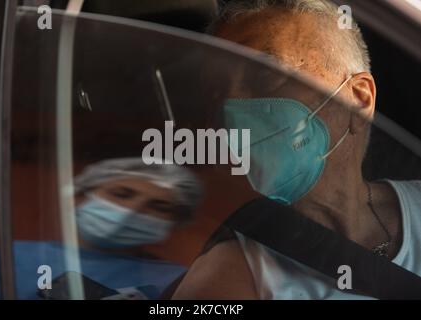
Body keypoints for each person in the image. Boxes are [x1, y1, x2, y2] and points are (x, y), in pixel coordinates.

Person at [172, 0, 421, 299]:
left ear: (357, 101)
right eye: (217, 92)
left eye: (262, 75)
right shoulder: (233, 276)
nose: (231, 110)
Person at [0, 158, 203, 299]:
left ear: (174, 223)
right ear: (78, 198)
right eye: (121, 194)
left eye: (159, 206)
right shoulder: (7, 259)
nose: (134, 209)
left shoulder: (182, 280)